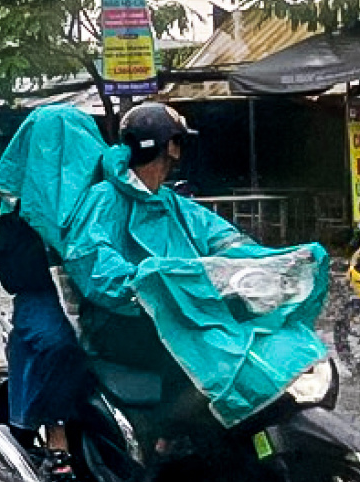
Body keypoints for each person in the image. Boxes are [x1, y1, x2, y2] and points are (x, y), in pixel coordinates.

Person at [60, 103, 255, 369]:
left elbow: (223, 238)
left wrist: (263, 263)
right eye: (178, 142)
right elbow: (92, 261)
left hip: (185, 313)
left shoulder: (171, 202)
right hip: (128, 325)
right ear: (171, 146)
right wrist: (151, 282)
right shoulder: (104, 199)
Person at [0, 203, 91, 482]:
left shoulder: (122, 195)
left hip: (115, 289)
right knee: (60, 345)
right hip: (42, 293)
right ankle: (56, 440)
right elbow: (9, 268)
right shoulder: (28, 197)